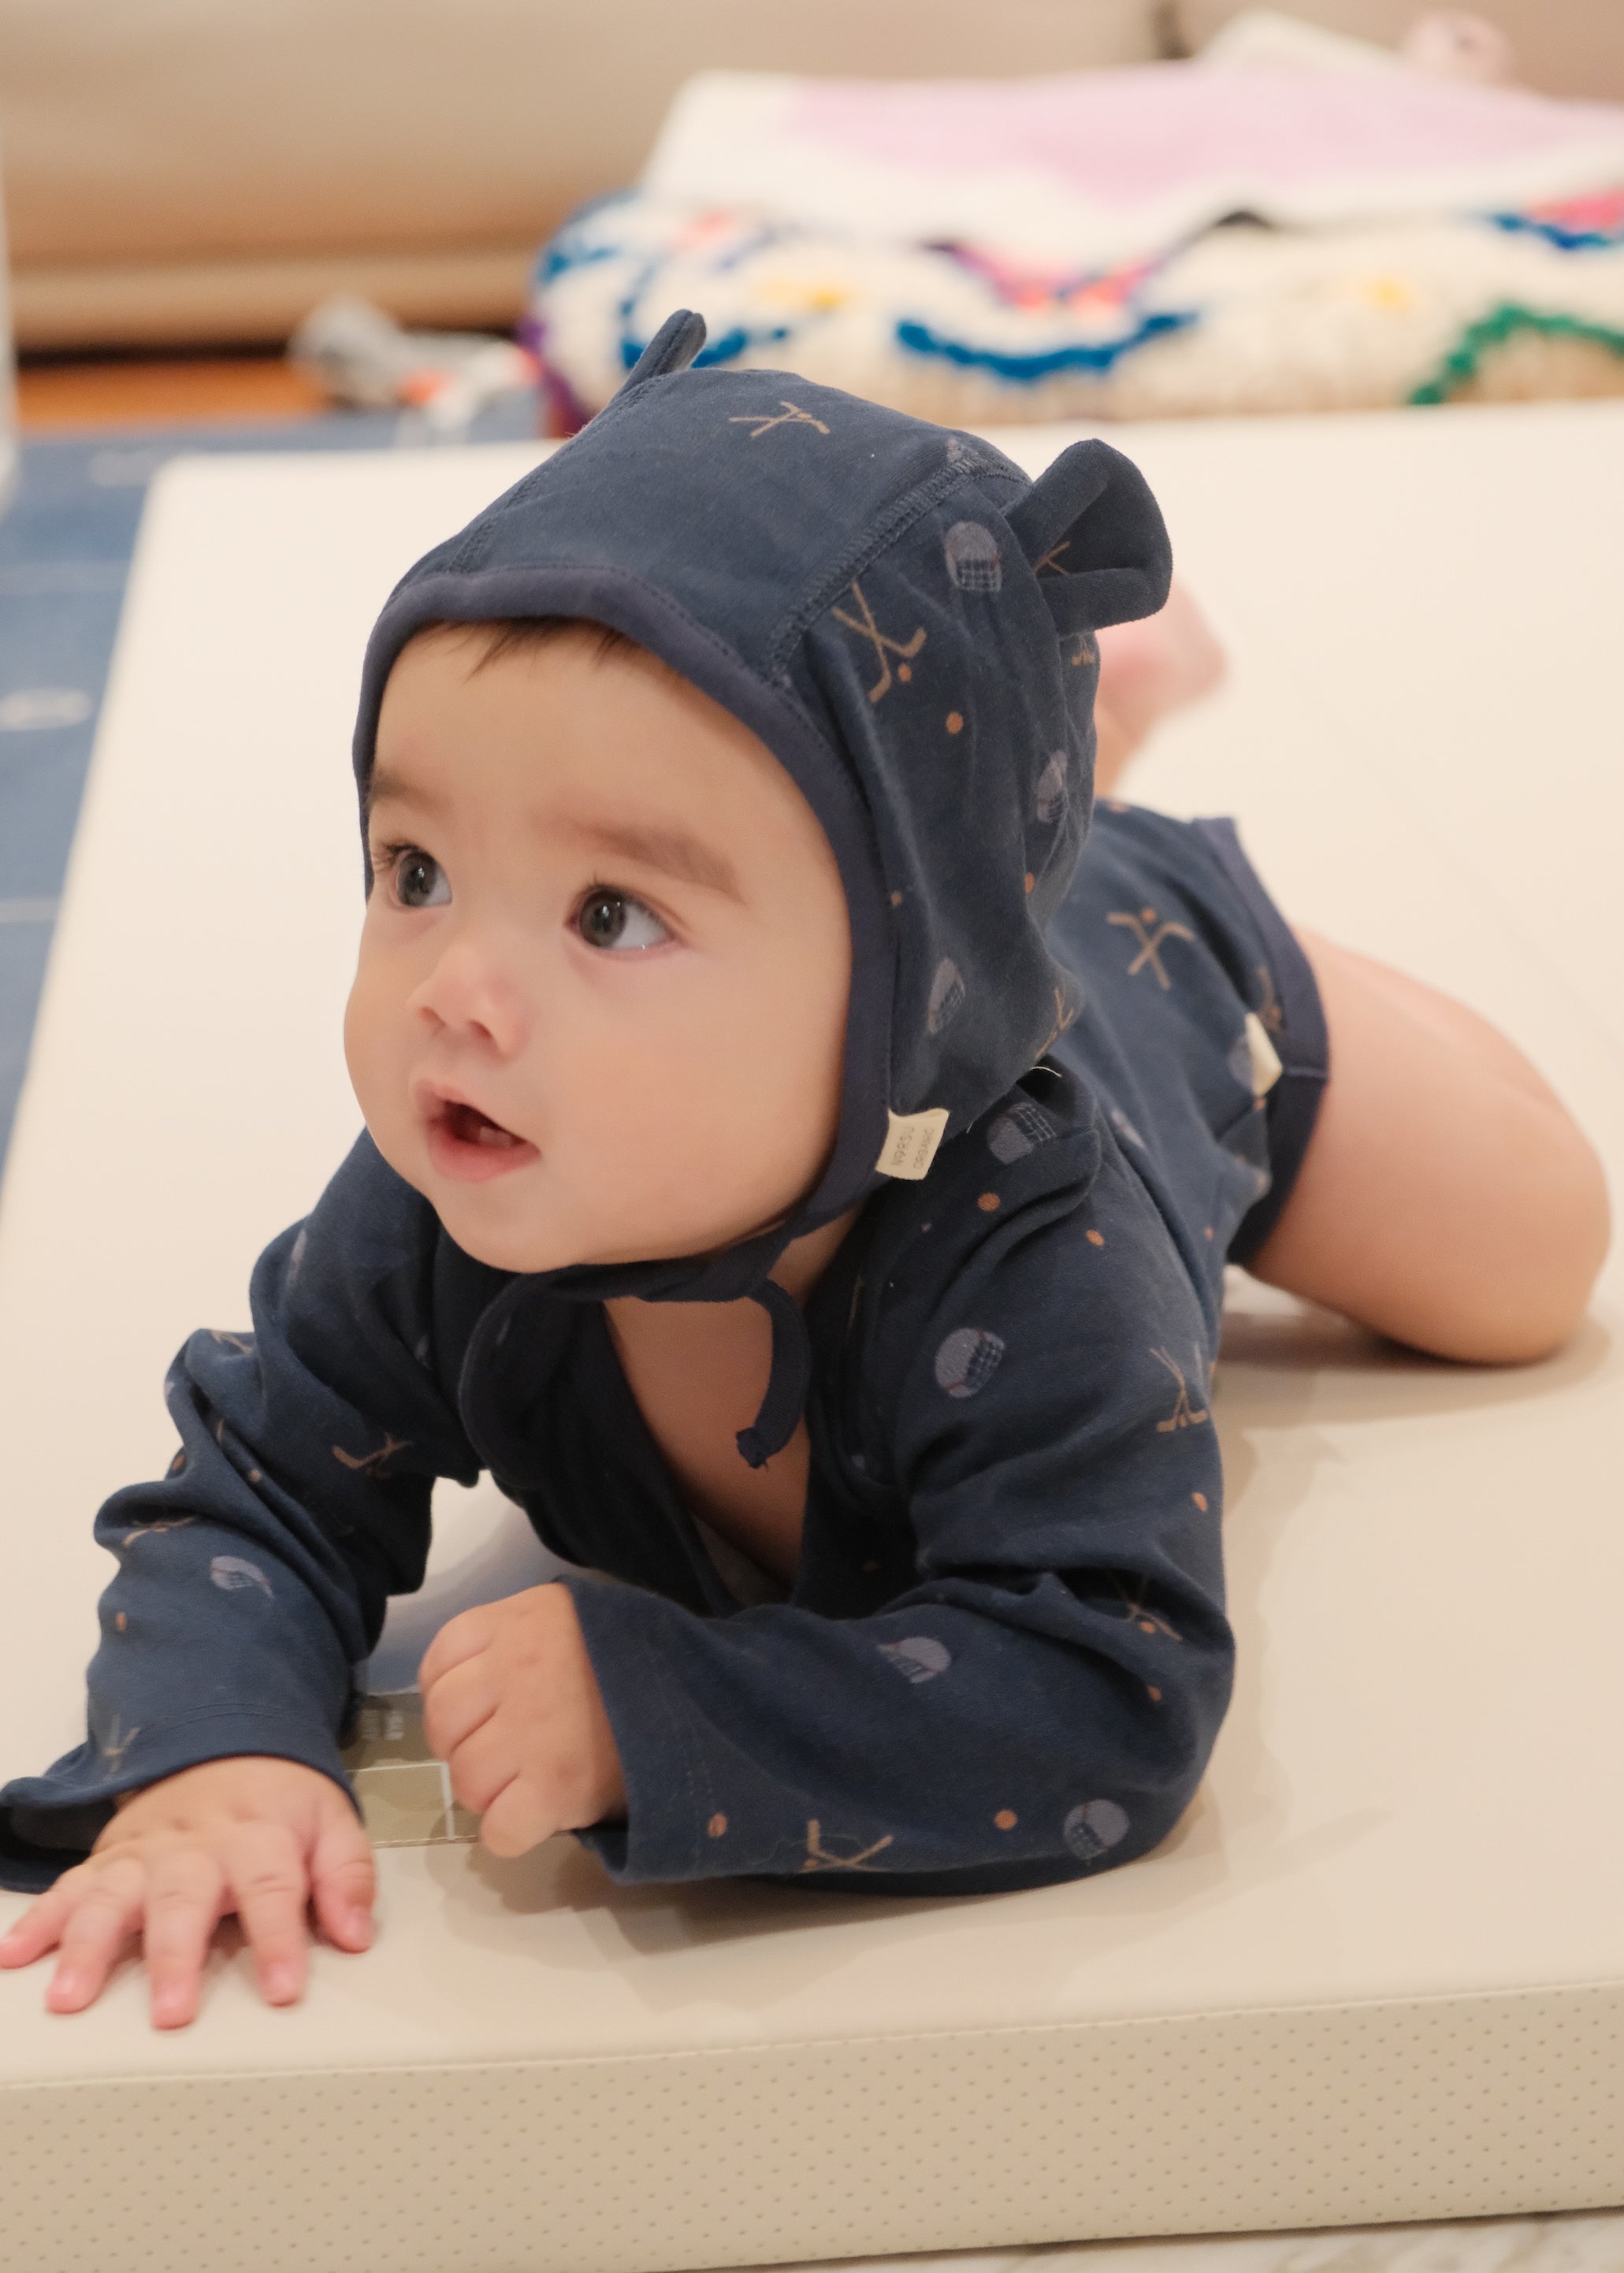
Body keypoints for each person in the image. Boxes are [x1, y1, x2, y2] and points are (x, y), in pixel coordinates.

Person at [0, 313, 1607, 2031]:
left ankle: (1171, 877)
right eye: (415, 868)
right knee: (924, 846)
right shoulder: (451, 1179)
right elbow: (260, 1473)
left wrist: (660, 1707)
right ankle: (1042, 777)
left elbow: (1106, 1682)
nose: (454, 993)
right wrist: (212, 1746)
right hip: (931, 921)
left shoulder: (1035, 1249)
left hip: (1176, 994)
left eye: (609, 915)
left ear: (901, 1011)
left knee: (1530, 1266)